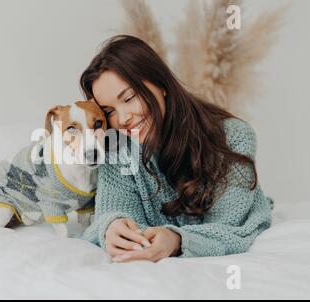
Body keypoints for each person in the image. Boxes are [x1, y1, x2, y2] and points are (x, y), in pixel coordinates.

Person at [79, 35, 274, 263]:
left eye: (130, 97)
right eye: (109, 111)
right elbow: (112, 211)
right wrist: (112, 227)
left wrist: (177, 240)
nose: (123, 118)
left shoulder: (234, 137)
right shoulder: (118, 147)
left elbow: (228, 227)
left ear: (160, 84)